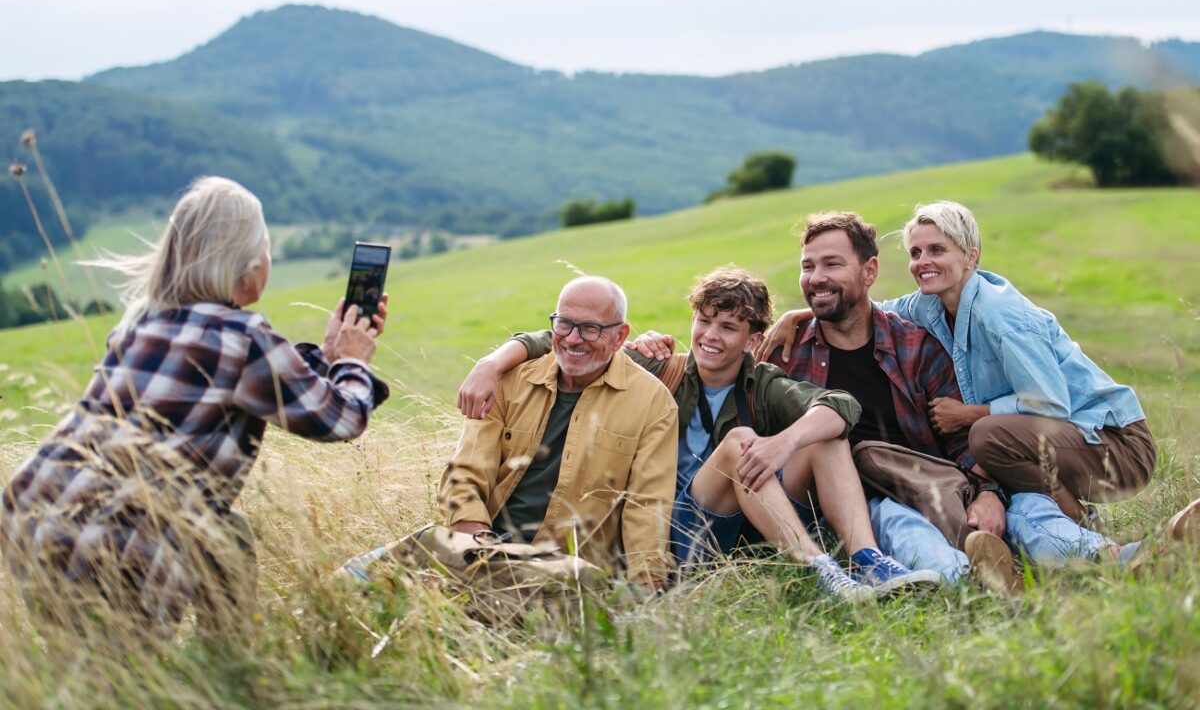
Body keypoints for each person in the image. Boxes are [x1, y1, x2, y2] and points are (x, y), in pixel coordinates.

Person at [0, 176, 390, 636]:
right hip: (119, 548)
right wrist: (352, 362)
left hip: (35, 515)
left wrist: (326, 356)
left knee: (229, 534)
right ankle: (227, 674)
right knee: (121, 685)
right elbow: (340, 418)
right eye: (264, 249)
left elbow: (275, 383)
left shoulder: (141, 324)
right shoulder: (242, 339)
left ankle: (228, 665)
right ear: (245, 267)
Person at [763, 203, 1199, 574]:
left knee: (1000, 462)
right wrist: (802, 312)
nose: (923, 261)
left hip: (1107, 440)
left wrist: (979, 449)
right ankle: (1105, 553)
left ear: (970, 256)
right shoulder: (928, 306)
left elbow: (1049, 404)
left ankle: (1111, 547)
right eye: (916, 252)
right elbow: (869, 308)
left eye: (937, 250)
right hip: (1013, 455)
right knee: (1013, 494)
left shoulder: (996, 315)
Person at [460, 267, 940, 602]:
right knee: (738, 445)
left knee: (824, 437)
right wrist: (491, 361)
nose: (711, 335)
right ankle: (823, 573)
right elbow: (570, 337)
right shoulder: (659, 368)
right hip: (666, 529)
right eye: (704, 321)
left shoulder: (762, 384)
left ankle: (866, 561)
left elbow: (841, 406)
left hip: (734, 526)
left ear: (753, 340)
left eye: (728, 327)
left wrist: (784, 441)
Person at [439, 276, 678, 589]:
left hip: (570, 575)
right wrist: (479, 552)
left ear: (620, 336)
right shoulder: (509, 381)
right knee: (374, 569)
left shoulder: (653, 403)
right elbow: (464, 476)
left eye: (590, 328)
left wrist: (647, 591)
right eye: (564, 324)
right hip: (486, 548)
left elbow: (646, 510)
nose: (573, 339)